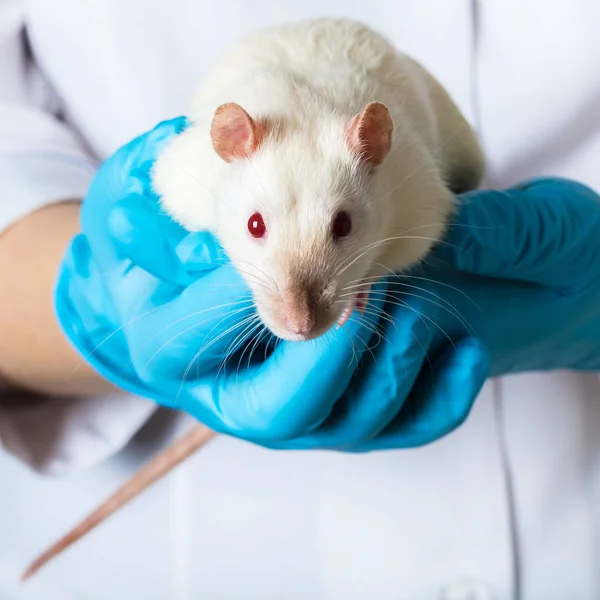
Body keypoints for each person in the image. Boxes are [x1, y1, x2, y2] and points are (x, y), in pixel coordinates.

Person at [1, 1, 599, 598]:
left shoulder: (386, 162)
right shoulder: (206, 164)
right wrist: (94, 308)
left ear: (372, 148)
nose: (298, 312)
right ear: (229, 144)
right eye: (256, 226)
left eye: (342, 226)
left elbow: (439, 204)